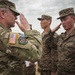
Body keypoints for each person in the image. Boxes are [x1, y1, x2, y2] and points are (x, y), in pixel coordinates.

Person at [0, 0, 42, 75]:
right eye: (14, 14)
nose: (16, 18)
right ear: (3, 14)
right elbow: (36, 54)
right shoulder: (6, 36)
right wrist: (28, 30)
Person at [45, 7, 75, 75]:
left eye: (65, 19)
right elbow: (47, 43)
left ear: (74, 19)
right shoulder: (61, 37)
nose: (63, 22)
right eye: (61, 20)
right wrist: (52, 31)